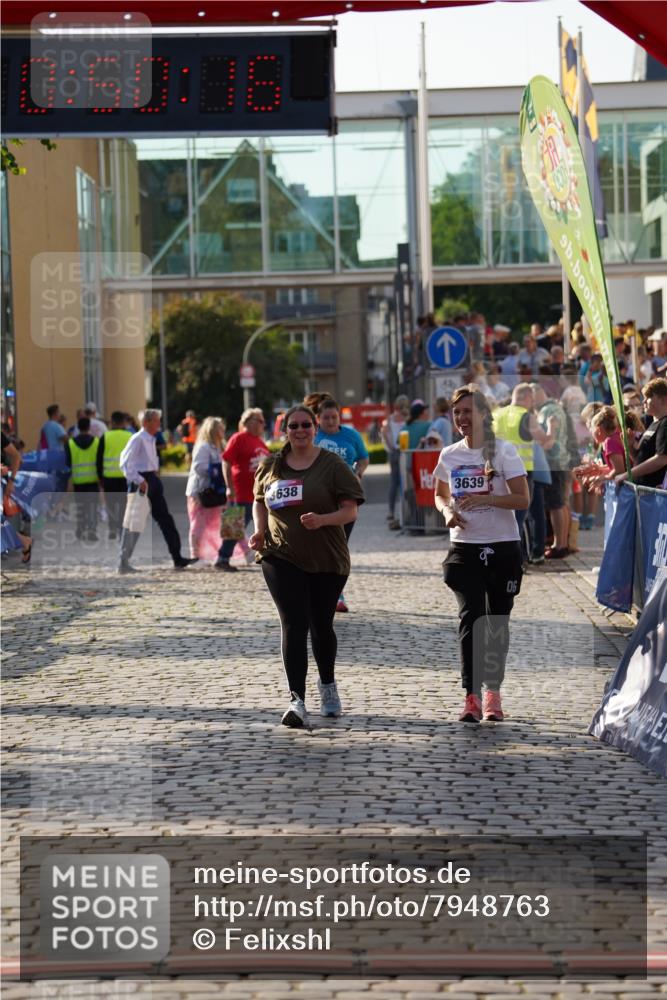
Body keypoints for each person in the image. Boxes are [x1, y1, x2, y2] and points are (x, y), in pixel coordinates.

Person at [250, 404, 365, 729]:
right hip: (280, 553)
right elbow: (259, 501)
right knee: (293, 624)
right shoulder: (271, 465)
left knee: (321, 626)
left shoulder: (333, 465)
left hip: (326, 557)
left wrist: (322, 520)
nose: (300, 430)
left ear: (315, 429)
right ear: (284, 430)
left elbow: (350, 511)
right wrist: (259, 531)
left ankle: (327, 685)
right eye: (293, 426)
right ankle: (296, 700)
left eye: (305, 425)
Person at [433, 386, 529, 723]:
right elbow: (440, 494)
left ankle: (493, 693)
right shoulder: (449, 454)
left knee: (497, 622)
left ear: (484, 415)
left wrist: (488, 499)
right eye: (457, 412)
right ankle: (471, 696)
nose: (461, 418)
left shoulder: (504, 451)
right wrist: (447, 511)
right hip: (464, 547)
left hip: (502, 546)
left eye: (468, 411)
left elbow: (523, 499)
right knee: (471, 618)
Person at [117, 408, 196, 573]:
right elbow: (125, 463)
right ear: (146, 422)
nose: (159, 423)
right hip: (141, 482)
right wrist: (140, 480)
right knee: (134, 523)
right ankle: (123, 562)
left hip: (152, 479)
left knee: (166, 519)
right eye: (156, 420)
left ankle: (177, 557)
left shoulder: (151, 438)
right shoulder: (137, 439)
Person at [314, 397, 369, 612]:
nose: (330, 421)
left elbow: (363, 458)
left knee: (339, 545)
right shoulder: (313, 436)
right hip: (319, 497)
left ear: (339, 417)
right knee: (319, 546)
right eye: (326, 418)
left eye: (334, 417)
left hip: (346, 496)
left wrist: (358, 473)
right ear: (318, 418)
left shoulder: (351, 435)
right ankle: (315, 590)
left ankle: (337, 594)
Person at [216, 407, 270, 571]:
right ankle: (222, 559)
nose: (263, 424)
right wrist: (229, 487)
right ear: (248, 422)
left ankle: (271, 558)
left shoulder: (260, 441)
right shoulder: (239, 438)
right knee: (233, 528)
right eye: (260, 421)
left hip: (258, 495)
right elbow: (226, 461)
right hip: (239, 492)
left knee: (267, 527)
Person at [185, 416, 227, 563]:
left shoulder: (221, 446)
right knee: (198, 524)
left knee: (223, 522)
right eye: (220, 428)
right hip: (201, 492)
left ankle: (224, 553)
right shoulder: (204, 446)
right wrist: (218, 470)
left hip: (217, 491)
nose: (223, 430)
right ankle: (196, 556)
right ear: (212, 430)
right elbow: (198, 467)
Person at [616, 377, 667, 488]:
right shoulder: (654, 423)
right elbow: (640, 459)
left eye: (648, 397)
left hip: (653, 494)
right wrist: (630, 446)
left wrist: (626, 475)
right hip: (644, 491)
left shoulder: (665, 423)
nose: (643, 401)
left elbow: (661, 459)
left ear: (663, 400)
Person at [96, 411, 133, 540]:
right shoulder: (130, 436)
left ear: (112, 422)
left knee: (110, 504)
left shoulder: (105, 437)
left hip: (109, 477)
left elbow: (99, 459)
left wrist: (100, 477)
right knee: (124, 504)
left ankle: (112, 528)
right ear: (124, 422)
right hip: (125, 477)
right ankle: (121, 528)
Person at [64, 416, 100, 541]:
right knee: (92, 506)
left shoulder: (70, 444)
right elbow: (99, 461)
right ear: (89, 427)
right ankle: (92, 529)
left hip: (78, 481)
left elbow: (67, 464)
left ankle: (81, 528)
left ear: (78, 428)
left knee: (80, 506)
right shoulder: (96, 442)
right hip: (93, 480)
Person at [381, 393, 409, 530]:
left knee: (394, 483)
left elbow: (384, 432)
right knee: (406, 482)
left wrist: (391, 446)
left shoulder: (391, 418)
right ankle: (405, 510)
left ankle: (391, 512)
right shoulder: (408, 418)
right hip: (405, 452)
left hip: (394, 452)